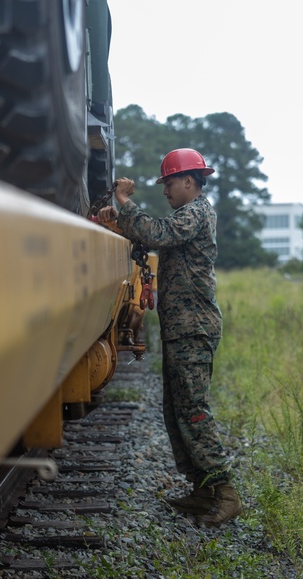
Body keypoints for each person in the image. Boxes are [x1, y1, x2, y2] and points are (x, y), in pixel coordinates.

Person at [96, 148, 241, 527]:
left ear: (189, 182)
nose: (166, 191)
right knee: (176, 412)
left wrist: (125, 201)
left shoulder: (196, 211)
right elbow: (151, 236)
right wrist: (121, 220)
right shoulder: (188, 213)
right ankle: (203, 490)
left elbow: (157, 232)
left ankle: (226, 493)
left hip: (194, 328)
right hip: (182, 328)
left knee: (193, 410)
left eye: (169, 183)